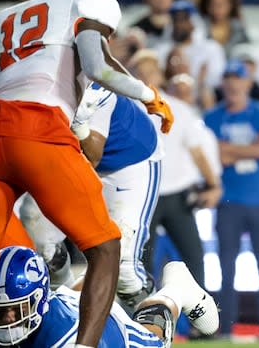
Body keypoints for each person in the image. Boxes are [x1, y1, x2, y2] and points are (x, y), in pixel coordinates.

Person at [0, 0, 173, 347]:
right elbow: (98, 65)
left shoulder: (2, 17)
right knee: (106, 247)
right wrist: (151, 95)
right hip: (38, 132)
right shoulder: (86, 1)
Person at [19, 81, 164, 311]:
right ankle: (63, 308)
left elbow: (93, 154)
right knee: (39, 237)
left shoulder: (93, 89)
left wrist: (79, 124)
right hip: (71, 160)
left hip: (127, 163)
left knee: (124, 267)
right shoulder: (26, 81)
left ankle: (154, 332)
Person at [0, 246, 218, 347]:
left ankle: (175, 290)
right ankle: (110, 269)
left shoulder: (65, 338)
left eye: (16, 309)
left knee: (153, 338)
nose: (8, 319)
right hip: (68, 304)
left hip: (108, 336)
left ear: (38, 300)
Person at [130, 49, 220, 288]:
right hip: (142, 196)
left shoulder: (179, 108)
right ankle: (144, 319)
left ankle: (200, 320)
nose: (147, 76)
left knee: (193, 256)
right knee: (141, 262)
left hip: (177, 194)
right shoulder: (125, 108)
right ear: (133, 76)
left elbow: (197, 151)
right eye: (141, 71)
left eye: (151, 70)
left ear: (160, 74)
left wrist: (213, 185)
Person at [203, 60, 259, 338]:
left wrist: (227, 150)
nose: (233, 85)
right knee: (226, 270)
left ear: (248, 83)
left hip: (258, 201)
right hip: (229, 203)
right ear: (223, 84)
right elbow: (215, 155)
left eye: (239, 80)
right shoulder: (212, 116)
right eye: (229, 80)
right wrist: (242, 150)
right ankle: (226, 329)